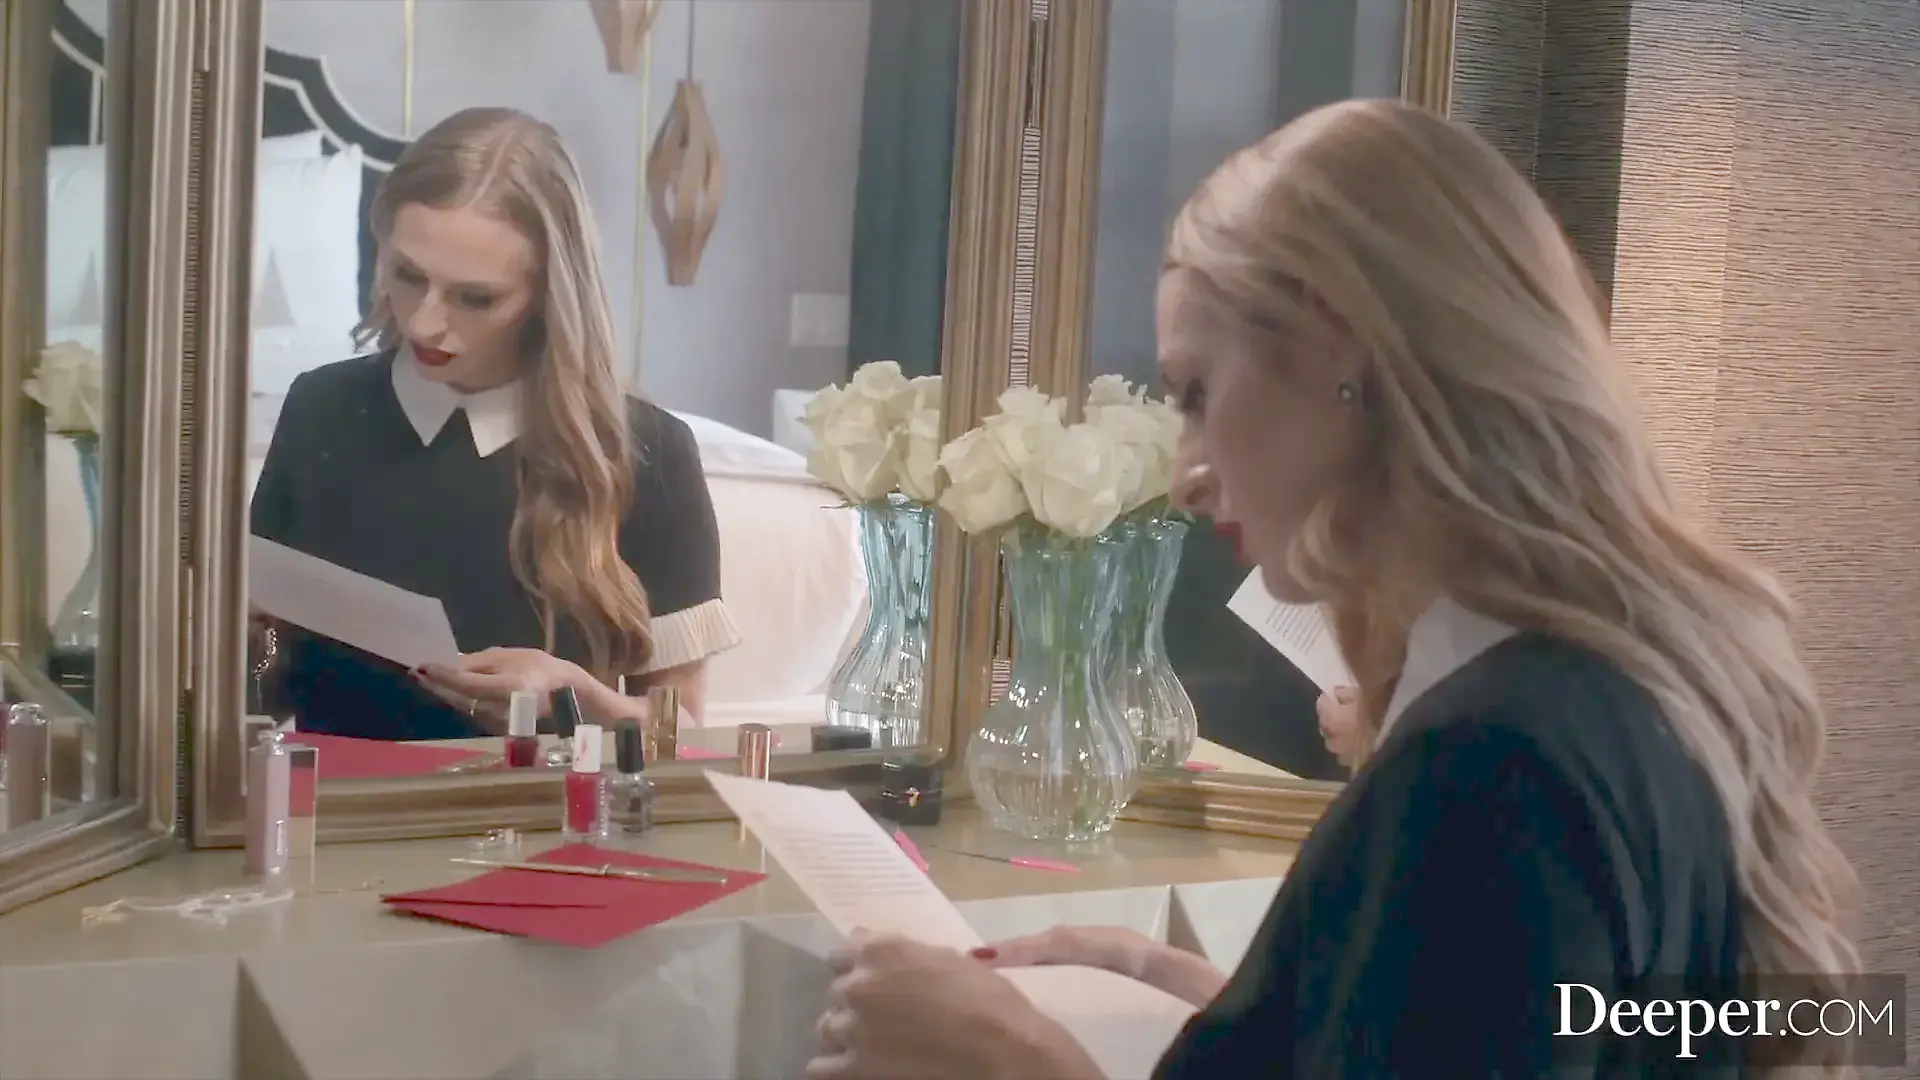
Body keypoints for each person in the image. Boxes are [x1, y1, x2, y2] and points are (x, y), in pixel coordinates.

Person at [804, 99, 1861, 1078]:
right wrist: (1286, 1013)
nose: (1186, 474)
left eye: (1197, 392)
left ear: (1338, 347)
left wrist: (1017, 1062)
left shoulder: (1488, 767)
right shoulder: (1629, 703)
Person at [251, 107, 740, 740]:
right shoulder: (320, 407)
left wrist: (573, 699)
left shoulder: (650, 452)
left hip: (535, 795)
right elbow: (263, 663)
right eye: (407, 275)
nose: (425, 323)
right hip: (334, 793)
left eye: (474, 298)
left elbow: (685, 735)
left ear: (548, 296)